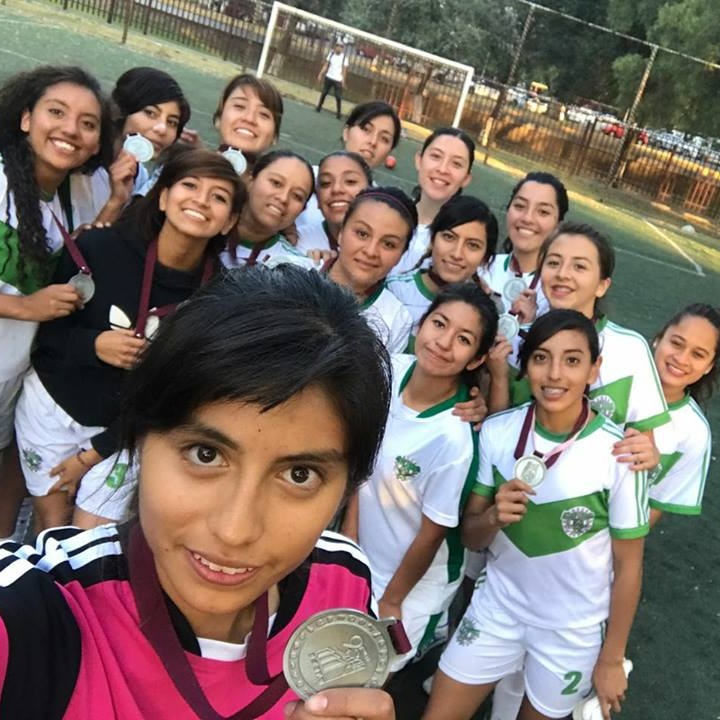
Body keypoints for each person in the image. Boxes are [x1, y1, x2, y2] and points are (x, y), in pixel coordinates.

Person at [0, 265, 396, 720]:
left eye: (300, 474)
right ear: (140, 438)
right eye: (205, 454)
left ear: (348, 486)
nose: (234, 531)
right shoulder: (37, 617)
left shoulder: (343, 583)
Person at [424, 309, 648, 720]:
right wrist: (493, 517)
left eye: (572, 360)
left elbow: (629, 565)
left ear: (594, 368)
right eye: (541, 358)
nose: (555, 373)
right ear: (525, 366)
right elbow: (471, 536)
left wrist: (612, 657)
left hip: (573, 631)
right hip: (497, 609)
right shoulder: (498, 431)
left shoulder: (620, 455)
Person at [14, 148, 245, 532]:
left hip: (130, 432)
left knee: (89, 538)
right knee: (51, 522)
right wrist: (94, 345)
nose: (201, 201)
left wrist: (95, 452)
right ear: (164, 197)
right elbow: (48, 338)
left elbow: (182, 394)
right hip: (54, 404)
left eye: (218, 197)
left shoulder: (219, 299)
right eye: (190, 185)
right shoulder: (100, 248)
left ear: (229, 221)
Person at [343, 284, 498, 670]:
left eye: (463, 339)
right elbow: (363, 466)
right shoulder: (388, 369)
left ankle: (433, 624)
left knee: (364, 677)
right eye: (439, 324)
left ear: (477, 359)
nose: (443, 342)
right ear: (421, 324)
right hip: (361, 553)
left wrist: (392, 600)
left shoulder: (454, 439)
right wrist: (348, 547)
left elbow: (432, 535)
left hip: (412, 583)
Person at [0, 65, 114, 540]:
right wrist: (25, 307)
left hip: (16, 377)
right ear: (26, 118)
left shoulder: (90, 188)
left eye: (88, 123)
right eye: (57, 112)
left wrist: (115, 204)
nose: (70, 129)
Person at [387, 195, 498, 344]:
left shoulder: (485, 313)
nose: (457, 254)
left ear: (485, 258)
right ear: (432, 239)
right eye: (449, 237)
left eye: (473, 245)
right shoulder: (394, 291)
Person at [646, 303, 719, 526]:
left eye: (698, 354)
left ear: (709, 366)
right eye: (676, 343)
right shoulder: (613, 376)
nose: (682, 358)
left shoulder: (694, 433)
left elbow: (653, 507)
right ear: (658, 339)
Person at [324, 186, 416, 353]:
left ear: (401, 255)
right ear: (341, 232)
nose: (371, 251)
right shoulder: (291, 271)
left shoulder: (396, 319)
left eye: (389, 244)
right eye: (362, 234)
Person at [479, 171, 568, 321]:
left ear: (558, 225)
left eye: (543, 212)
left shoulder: (560, 289)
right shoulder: (480, 269)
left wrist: (530, 326)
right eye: (520, 206)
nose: (527, 218)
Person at [296, 100, 400, 228]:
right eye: (366, 129)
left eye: (384, 138)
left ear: (389, 152)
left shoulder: (380, 205)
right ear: (346, 132)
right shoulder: (304, 179)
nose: (373, 142)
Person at [392, 128, 475, 276]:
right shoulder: (389, 215)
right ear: (419, 160)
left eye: (456, 164)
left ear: (466, 178)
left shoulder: (464, 243)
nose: (443, 169)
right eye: (436, 156)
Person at [109, 66, 191, 199]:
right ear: (121, 110)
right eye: (150, 113)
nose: (162, 129)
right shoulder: (84, 166)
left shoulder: (140, 175)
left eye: (172, 122)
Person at [221, 150, 314, 267]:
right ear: (251, 180)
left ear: (302, 210)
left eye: (297, 196)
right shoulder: (207, 227)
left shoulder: (296, 266)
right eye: (276, 183)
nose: (283, 198)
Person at [296, 150, 372, 254]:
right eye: (326, 183)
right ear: (317, 198)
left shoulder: (392, 246)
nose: (336, 189)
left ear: (370, 191)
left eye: (350, 181)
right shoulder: (298, 242)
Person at [213, 73, 284, 176]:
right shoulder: (190, 168)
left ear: (275, 137)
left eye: (263, 114)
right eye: (239, 106)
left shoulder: (275, 186)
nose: (249, 119)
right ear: (219, 118)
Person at [315, 41, 349, 119]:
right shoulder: (331, 55)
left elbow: (344, 70)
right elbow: (326, 65)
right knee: (324, 93)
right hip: (329, 77)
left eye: (341, 46)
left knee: (338, 96)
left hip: (338, 79)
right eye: (337, 46)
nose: (339, 48)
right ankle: (319, 107)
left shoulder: (344, 58)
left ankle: (338, 113)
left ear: (342, 48)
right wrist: (321, 74)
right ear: (335, 47)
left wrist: (343, 81)